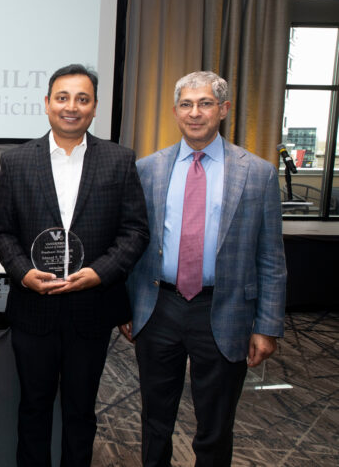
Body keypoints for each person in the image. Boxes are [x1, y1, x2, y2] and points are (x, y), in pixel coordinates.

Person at [123, 71, 287, 466]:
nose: (195, 113)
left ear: (224, 109)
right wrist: (124, 308)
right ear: (176, 111)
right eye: (186, 104)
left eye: (205, 103)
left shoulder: (257, 173)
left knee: (215, 425)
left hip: (225, 308)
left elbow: (271, 256)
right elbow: (132, 243)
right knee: (154, 418)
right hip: (158, 307)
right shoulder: (148, 169)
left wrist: (266, 325)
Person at [0, 64, 149, 466]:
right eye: (62, 98)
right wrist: (23, 272)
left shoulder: (118, 159)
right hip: (34, 309)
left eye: (83, 99)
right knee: (33, 408)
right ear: (47, 104)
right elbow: (2, 232)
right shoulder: (16, 162)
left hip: (91, 311)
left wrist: (101, 273)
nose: (71, 107)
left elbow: (135, 232)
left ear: (95, 107)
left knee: (81, 412)